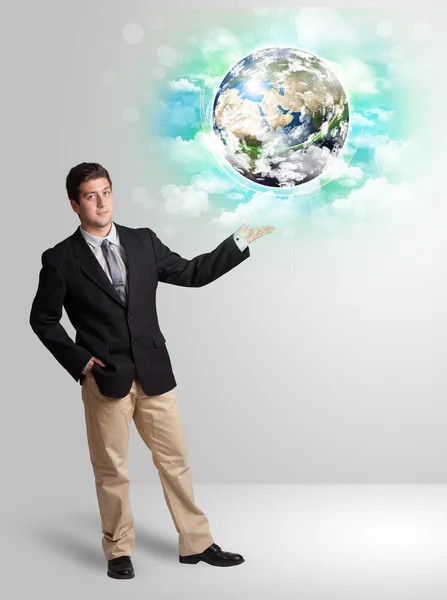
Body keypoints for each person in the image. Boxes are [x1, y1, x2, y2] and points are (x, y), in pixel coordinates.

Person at [29, 162, 275, 580]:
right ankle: (118, 551)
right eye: (91, 195)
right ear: (75, 204)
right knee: (112, 471)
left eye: (106, 191)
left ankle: (196, 544)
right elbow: (43, 319)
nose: (101, 201)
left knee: (175, 462)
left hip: (155, 375)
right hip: (106, 380)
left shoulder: (143, 242)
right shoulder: (60, 260)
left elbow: (192, 274)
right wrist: (82, 362)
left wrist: (236, 243)